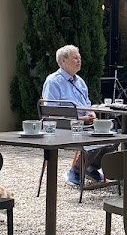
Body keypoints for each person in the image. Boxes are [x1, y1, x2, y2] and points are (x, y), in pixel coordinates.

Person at [42, 44, 108, 187]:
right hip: (65, 126)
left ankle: (90, 168)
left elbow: (87, 104)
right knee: (94, 139)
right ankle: (76, 171)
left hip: (85, 124)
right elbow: (50, 112)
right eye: (75, 58)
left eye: (79, 58)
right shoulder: (53, 81)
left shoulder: (80, 81)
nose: (79, 61)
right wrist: (80, 119)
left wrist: (92, 113)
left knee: (113, 139)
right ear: (63, 61)